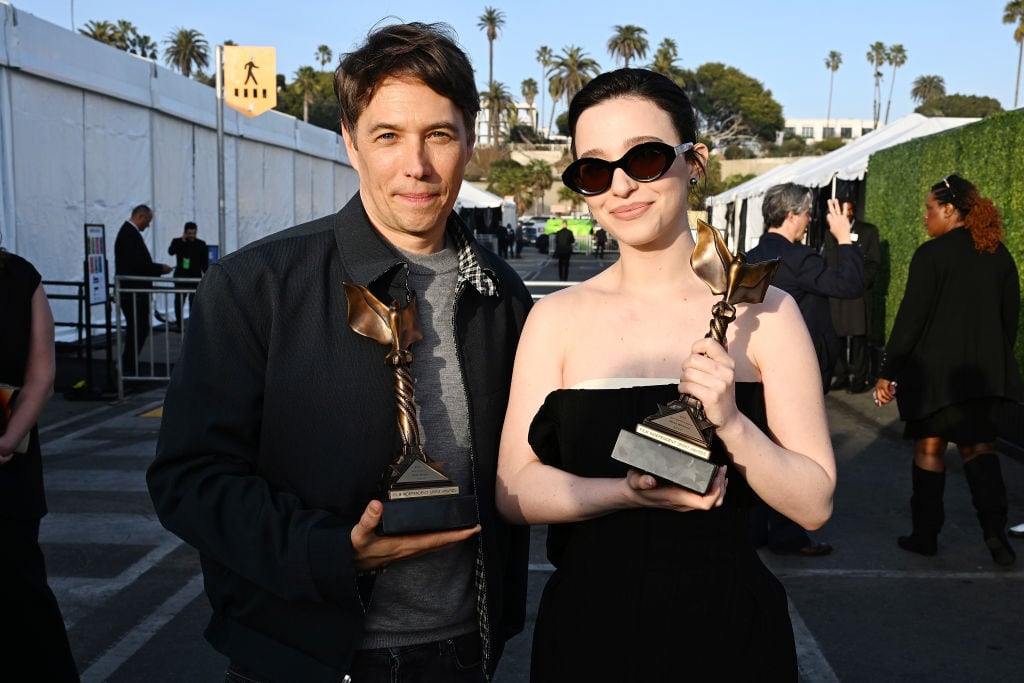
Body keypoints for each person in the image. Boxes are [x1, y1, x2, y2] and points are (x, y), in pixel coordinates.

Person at [146, 22, 532, 682]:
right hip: (302, 658)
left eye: (439, 134)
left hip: (466, 654)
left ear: (469, 140)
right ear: (350, 143)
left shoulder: (502, 294)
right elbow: (188, 477)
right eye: (388, 136)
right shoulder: (255, 286)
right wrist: (326, 550)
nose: (417, 165)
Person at [496, 68, 836, 681]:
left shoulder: (768, 313)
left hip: (730, 637)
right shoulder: (554, 319)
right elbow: (514, 490)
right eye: (595, 170)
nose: (622, 185)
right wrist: (623, 493)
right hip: (589, 637)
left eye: (646, 157)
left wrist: (732, 424)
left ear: (695, 161)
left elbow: (813, 503)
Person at [874, 174, 1021, 567]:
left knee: (929, 448)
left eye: (929, 209)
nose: (925, 217)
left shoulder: (931, 255)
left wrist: (889, 370)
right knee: (980, 448)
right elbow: (1010, 320)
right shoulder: (999, 253)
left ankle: (925, 536)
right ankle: (995, 533)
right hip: (984, 375)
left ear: (950, 210)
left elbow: (910, 321)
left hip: (934, 376)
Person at [744, 182, 863, 557]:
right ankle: (787, 534)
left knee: (758, 442)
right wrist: (845, 239)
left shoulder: (750, 255)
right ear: (792, 215)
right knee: (791, 449)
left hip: (753, 364)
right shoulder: (800, 258)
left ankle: (756, 529)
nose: (810, 220)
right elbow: (849, 285)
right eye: (808, 213)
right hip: (795, 368)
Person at [0, 244, 79, 681]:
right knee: (22, 594)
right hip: (10, 468)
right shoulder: (21, 276)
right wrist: (9, 438)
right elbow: (41, 377)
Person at [824, 200, 882, 394]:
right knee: (837, 335)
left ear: (854, 210)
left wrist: (858, 282)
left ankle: (860, 377)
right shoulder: (829, 233)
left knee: (859, 337)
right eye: (842, 209)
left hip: (858, 292)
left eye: (848, 209)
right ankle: (840, 375)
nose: (845, 213)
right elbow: (827, 261)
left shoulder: (868, 231)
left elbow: (873, 262)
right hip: (837, 291)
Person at [114, 204, 171, 374]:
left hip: (134, 292)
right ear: (141, 217)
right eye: (148, 221)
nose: (148, 225)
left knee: (137, 330)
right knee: (137, 330)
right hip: (134, 293)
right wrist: (159, 269)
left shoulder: (128, 233)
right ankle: (128, 368)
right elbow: (139, 264)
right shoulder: (129, 235)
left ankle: (128, 367)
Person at [167, 221, 209, 331]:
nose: (192, 236)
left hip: (195, 277)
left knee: (194, 302)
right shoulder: (178, 242)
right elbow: (171, 251)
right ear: (185, 232)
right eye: (189, 233)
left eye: (194, 233)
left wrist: (207, 276)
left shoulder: (201, 244)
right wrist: (182, 240)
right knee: (179, 301)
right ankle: (179, 324)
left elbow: (205, 263)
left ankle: (192, 326)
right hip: (181, 277)